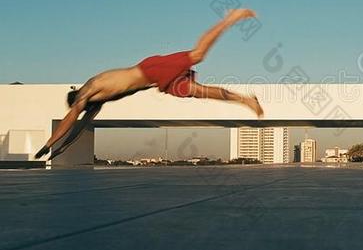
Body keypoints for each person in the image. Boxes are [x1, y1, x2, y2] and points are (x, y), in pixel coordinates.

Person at [35, 9, 264, 160]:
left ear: (76, 100)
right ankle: (245, 100)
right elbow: (79, 126)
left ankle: (231, 18)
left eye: (78, 107)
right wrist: (58, 148)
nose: (80, 110)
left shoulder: (88, 90)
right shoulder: (96, 102)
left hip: (151, 70)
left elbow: (71, 119)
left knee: (198, 55)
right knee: (198, 91)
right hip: (157, 81)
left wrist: (50, 142)